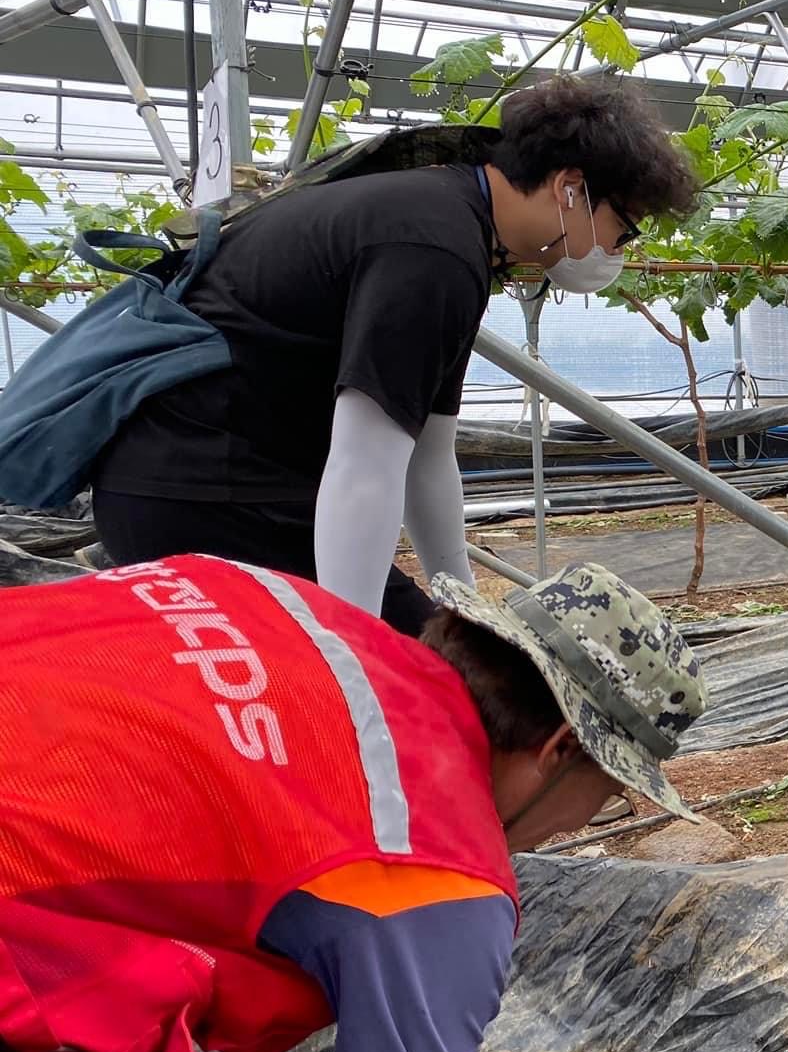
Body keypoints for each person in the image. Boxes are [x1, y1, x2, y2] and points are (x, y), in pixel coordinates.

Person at [0, 554, 706, 1052]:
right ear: (558, 751)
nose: (581, 823)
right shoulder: (433, 867)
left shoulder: (258, 595)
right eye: (611, 793)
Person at [86, 75, 697, 635]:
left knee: (437, 651)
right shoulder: (432, 250)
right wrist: (353, 652)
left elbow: (428, 456)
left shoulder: (451, 226)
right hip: (205, 498)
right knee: (419, 677)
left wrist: (461, 606)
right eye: (625, 226)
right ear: (570, 189)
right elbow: (365, 464)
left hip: (204, 485)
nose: (617, 249)